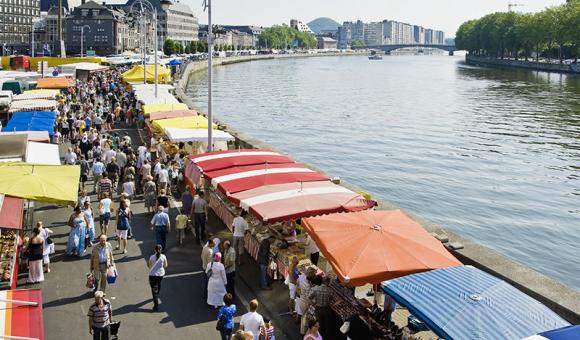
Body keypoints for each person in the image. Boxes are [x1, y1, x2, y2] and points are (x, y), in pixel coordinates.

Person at [148, 244, 168, 312]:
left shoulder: (151, 257)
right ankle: (157, 293)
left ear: (154, 250)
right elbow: (166, 265)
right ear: (161, 250)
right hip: (161, 274)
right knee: (159, 284)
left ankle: (156, 305)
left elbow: (149, 265)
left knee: (154, 290)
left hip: (153, 275)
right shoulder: (163, 257)